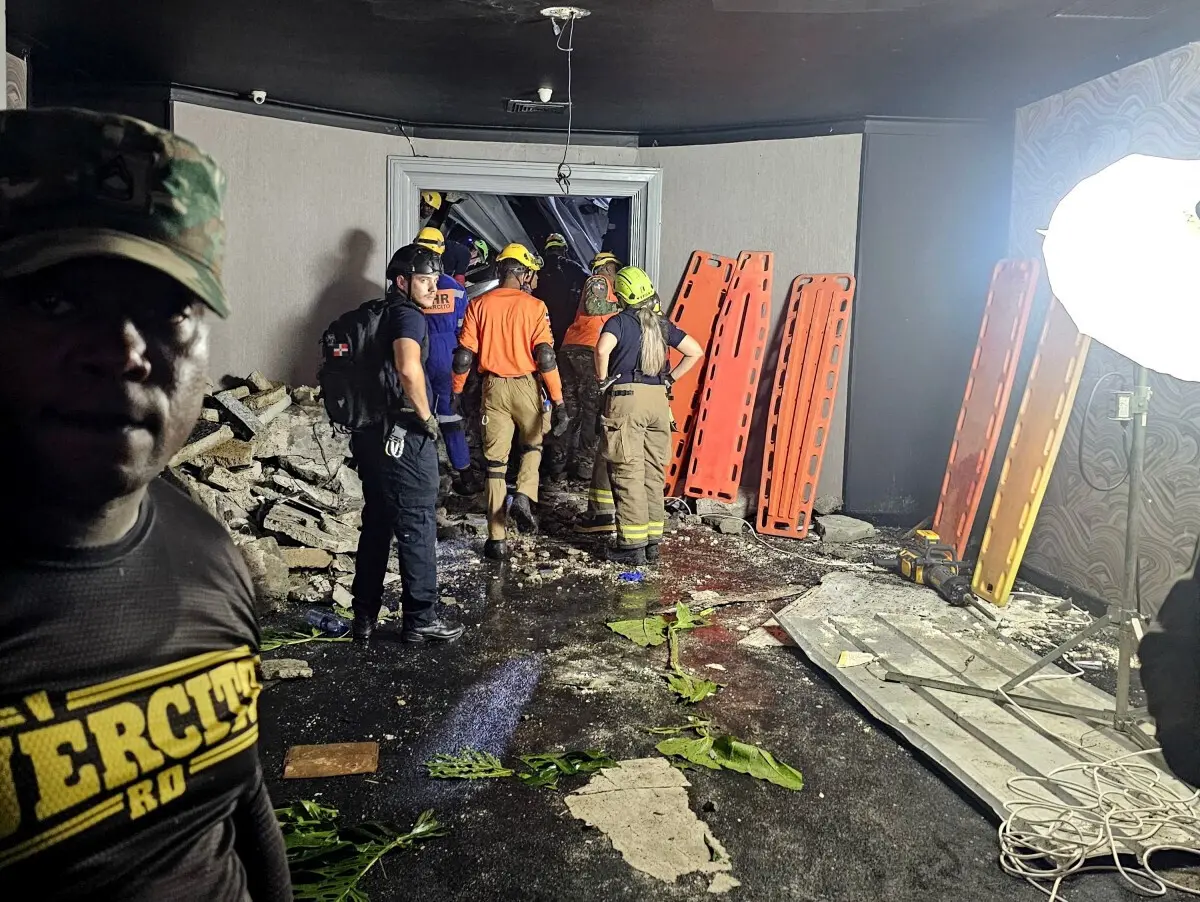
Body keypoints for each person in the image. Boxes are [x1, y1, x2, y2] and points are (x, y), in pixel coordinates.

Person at [0, 108, 290, 899]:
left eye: (169, 310)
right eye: (56, 302)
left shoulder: (208, 551)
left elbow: (239, 802)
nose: (125, 350)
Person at [349, 243, 465, 645]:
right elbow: (407, 368)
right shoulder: (407, 317)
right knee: (417, 522)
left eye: (435, 280)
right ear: (402, 282)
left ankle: (363, 616)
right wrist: (427, 418)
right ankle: (420, 618)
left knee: (377, 523)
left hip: (368, 435)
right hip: (401, 436)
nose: (432, 288)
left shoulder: (375, 314)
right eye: (423, 280)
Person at [451, 243, 570, 560]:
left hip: (493, 389)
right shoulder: (534, 307)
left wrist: (457, 392)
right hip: (526, 386)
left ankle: (496, 540)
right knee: (532, 447)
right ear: (524, 273)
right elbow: (545, 357)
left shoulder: (479, 305)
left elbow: (463, 358)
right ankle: (524, 495)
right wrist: (558, 401)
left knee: (495, 466)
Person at [593, 267, 704, 565]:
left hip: (627, 399)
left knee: (627, 470)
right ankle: (653, 541)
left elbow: (602, 350)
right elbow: (695, 351)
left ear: (622, 295)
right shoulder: (661, 325)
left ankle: (632, 547)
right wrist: (671, 379)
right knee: (654, 472)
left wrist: (602, 380)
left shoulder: (618, 322)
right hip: (658, 400)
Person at [414, 227, 475, 493]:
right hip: (447, 353)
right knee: (450, 416)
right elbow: (464, 329)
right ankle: (466, 475)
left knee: (417, 412)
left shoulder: (409, 283)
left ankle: (420, 475)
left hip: (415, 350)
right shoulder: (454, 288)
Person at [556, 251, 623, 482]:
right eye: (615, 269)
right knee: (592, 410)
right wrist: (622, 308)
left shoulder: (602, 285)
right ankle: (584, 466)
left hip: (571, 349)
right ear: (608, 267)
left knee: (571, 410)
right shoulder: (599, 280)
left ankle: (557, 464)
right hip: (586, 350)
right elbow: (594, 307)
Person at [533, 232, 589, 348]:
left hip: (541, 320)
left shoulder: (538, 268)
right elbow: (590, 282)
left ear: (547, 250)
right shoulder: (574, 267)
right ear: (564, 250)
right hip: (566, 322)